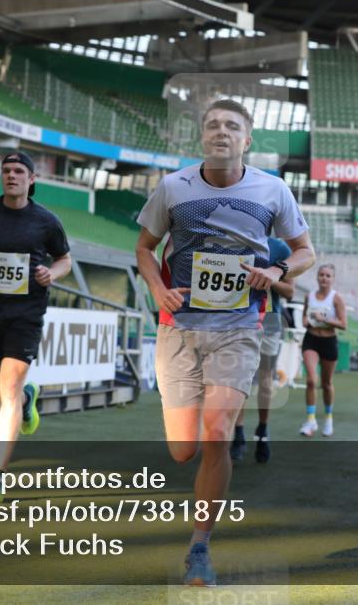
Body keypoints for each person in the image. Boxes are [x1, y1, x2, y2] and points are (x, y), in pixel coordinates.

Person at [136, 99, 315, 587]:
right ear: (202, 136)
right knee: (182, 450)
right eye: (213, 124)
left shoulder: (272, 190)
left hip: (239, 328)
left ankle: (199, 547)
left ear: (247, 139)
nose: (221, 131)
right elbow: (144, 248)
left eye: (232, 126)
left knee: (217, 432)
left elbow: (306, 251)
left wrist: (277, 270)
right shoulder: (173, 187)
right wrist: (157, 288)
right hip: (178, 328)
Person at [0, 151, 72, 502]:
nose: (11, 175)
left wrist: (51, 274)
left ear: (32, 179)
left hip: (26, 315)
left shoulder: (46, 221)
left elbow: (64, 260)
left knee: (8, 391)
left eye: (19, 171)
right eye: (6, 170)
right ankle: (28, 398)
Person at [230, 237, 294, 464]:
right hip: (238, 318)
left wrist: (269, 277)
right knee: (240, 378)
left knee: (265, 379)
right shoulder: (233, 240)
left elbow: (290, 291)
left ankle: (262, 430)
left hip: (269, 320)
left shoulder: (279, 248)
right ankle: (238, 433)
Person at [299, 264, 346, 437]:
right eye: (321, 275)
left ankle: (328, 418)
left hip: (329, 341)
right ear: (317, 277)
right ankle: (311, 420)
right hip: (311, 339)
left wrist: (325, 319)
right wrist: (306, 321)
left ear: (333, 279)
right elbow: (305, 317)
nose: (324, 278)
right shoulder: (309, 296)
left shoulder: (336, 298)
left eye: (328, 275)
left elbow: (343, 324)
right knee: (311, 380)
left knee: (326, 384)